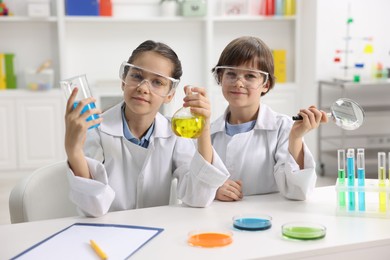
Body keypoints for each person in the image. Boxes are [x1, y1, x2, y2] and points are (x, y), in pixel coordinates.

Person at [64, 40, 230, 217]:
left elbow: (198, 198)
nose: (143, 88)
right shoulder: (97, 130)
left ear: (170, 95)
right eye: (136, 76)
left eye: (157, 82)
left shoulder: (173, 135)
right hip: (106, 233)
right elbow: (93, 208)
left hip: (156, 231)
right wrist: (73, 151)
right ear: (123, 81)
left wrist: (203, 130)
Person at [210, 36, 328, 202]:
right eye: (231, 73)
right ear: (220, 77)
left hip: (268, 218)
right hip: (219, 219)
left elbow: (298, 192)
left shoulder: (283, 128)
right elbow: (194, 182)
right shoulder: (209, 133)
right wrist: (213, 189)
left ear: (266, 84)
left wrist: (296, 138)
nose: (238, 83)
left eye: (250, 76)